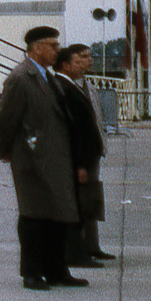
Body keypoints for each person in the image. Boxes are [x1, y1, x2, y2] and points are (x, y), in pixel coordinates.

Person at [0, 27, 86, 290]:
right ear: (36, 47)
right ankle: (31, 273)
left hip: (54, 159)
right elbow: (5, 120)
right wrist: (8, 153)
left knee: (55, 215)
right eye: (53, 45)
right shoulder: (22, 78)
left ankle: (56, 270)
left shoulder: (49, 77)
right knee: (33, 217)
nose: (58, 49)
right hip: (32, 161)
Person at [55, 44, 113, 266]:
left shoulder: (88, 86)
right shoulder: (65, 88)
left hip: (92, 152)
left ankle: (92, 245)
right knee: (80, 201)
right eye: (82, 58)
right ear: (68, 63)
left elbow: (95, 119)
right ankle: (79, 250)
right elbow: (74, 127)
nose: (88, 61)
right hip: (80, 156)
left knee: (90, 200)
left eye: (89, 57)